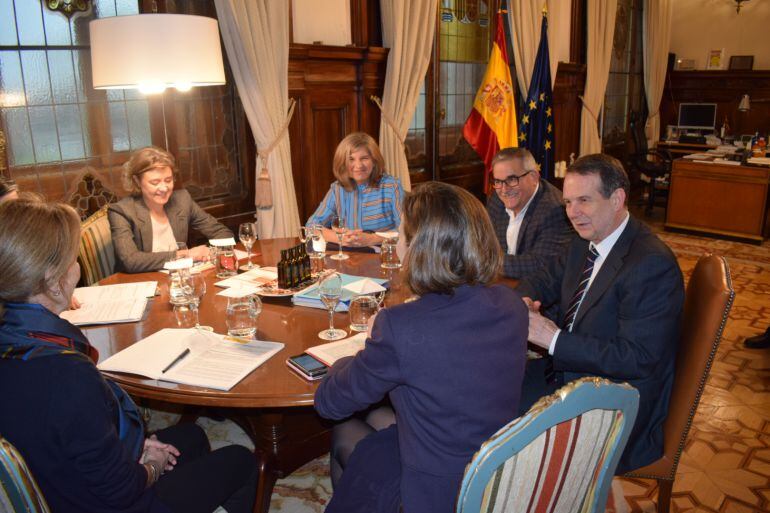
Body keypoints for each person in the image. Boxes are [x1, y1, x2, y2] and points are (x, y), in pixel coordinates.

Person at [0, 198, 258, 513]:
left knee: (191, 437)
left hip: (57, 476)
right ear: (53, 283)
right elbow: (120, 490)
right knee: (242, 461)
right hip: (105, 503)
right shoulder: (65, 374)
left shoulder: (16, 339)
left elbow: (73, 431)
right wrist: (150, 464)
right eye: (73, 258)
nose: (77, 266)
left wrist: (135, 446)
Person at [315, 182, 528, 513]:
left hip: (438, 494)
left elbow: (329, 403)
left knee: (345, 429)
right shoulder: (510, 304)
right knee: (377, 419)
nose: (397, 241)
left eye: (401, 235)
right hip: (495, 469)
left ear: (417, 247)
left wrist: (363, 347)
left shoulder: (402, 326)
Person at [517, 154, 685, 474]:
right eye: (568, 202)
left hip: (616, 404)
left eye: (584, 200)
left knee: (497, 423)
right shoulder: (585, 239)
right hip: (572, 374)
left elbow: (636, 357)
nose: (572, 213)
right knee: (488, 397)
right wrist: (522, 302)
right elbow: (540, 279)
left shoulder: (651, 264)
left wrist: (550, 338)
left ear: (617, 198)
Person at [109, 146, 233, 273]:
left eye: (168, 180)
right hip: (141, 282)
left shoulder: (182, 200)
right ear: (137, 181)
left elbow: (222, 233)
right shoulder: (121, 211)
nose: (164, 188)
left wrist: (210, 252)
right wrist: (186, 254)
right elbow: (131, 261)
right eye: (155, 182)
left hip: (180, 277)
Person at [306, 132, 404, 247]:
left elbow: (407, 231)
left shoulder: (392, 187)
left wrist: (373, 239)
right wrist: (340, 238)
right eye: (351, 159)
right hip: (349, 257)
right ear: (342, 162)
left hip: (385, 257)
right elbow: (310, 227)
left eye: (364, 158)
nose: (358, 165)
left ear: (374, 161)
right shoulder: (337, 189)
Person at [486, 147, 572, 279]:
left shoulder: (555, 211)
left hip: (537, 293)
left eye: (512, 179)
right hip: (502, 282)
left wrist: (485, 261)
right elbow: (483, 241)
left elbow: (540, 264)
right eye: (498, 181)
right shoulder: (497, 200)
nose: (504, 189)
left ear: (533, 177)